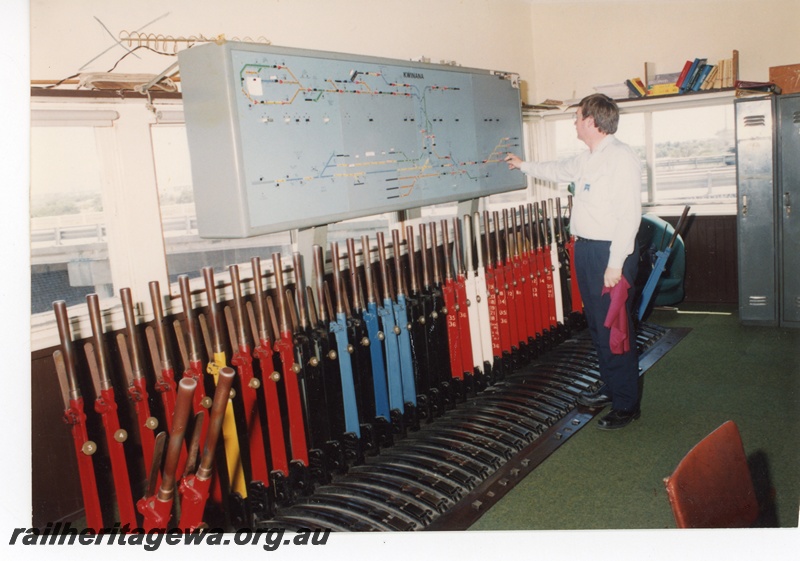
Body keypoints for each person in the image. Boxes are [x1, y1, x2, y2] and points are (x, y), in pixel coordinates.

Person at [505, 93, 642, 430]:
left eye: (578, 116)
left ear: (593, 121)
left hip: (610, 254)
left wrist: (614, 265)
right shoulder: (587, 158)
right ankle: (612, 388)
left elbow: (629, 217)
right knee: (597, 327)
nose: (574, 122)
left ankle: (627, 404)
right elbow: (555, 170)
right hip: (585, 250)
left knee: (614, 331)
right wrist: (523, 166)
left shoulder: (620, 159)